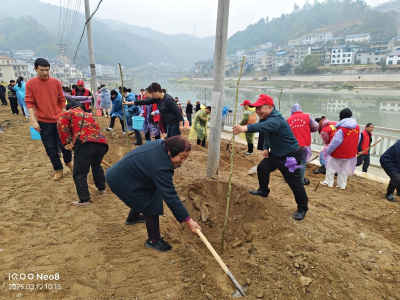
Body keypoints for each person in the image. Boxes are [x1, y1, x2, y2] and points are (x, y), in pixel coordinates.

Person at [105, 136, 202, 252]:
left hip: (124, 174)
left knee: (147, 189)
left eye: (186, 157)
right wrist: (189, 221)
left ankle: (133, 217)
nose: (183, 161)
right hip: (121, 180)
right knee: (152, 200)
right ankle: (154, 240)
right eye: (182, 157)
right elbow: (170, 196)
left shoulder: (161, 144)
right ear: (170, 151)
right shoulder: (161, 167)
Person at [232, 94, 308, 221]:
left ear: (269, 107)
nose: (257, 111)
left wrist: (245, 128)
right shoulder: (267, 118)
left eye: (259, 108)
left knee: (294, 182)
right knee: (262, 168)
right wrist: (266, 147)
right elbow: (267, 133)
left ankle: (302, 208)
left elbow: (263, 127)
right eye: (256, 109)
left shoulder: (276, 119)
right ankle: (263, 190)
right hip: (276, 153)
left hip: (290, 155)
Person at [25, 58, 73, 180]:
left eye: (47, 70)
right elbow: (29, 102)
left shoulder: (56, 82)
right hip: (43, 122)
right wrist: (33, 120)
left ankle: (68, 162)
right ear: (35, 69)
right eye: (42, 70)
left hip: (59, 120)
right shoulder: (30, 84)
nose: (45, 72)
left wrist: (65, 115)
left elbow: (61, 99)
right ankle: (58, 169)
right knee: (50, 148)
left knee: (65, 145)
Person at [58, 100, 108, 207]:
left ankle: (84, 200)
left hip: (85, 144)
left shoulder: (68, 113)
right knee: (96, 166)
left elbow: (61, 125)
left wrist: (67, 143)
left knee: (79, 173)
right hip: (102, 143)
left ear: (69, 108)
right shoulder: (89, 115)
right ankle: (102, 189)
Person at [320, 108, 360, 190]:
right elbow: (358, 140)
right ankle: (341, 185)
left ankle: (329, 182)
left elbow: (335, 142)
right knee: (344, 169)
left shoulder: (342, 128)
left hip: (339, 152)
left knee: (331, 167)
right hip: (350, 153)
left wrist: (329, 151)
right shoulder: (357, 127)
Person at [287, 103, 319, 185]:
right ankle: (300, 180)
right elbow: (315, 126)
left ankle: (291, 179)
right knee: (302, 161)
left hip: (293, 145)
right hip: (304, 144)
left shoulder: (289, 120)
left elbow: (286, 132)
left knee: (292, 161)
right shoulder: (307, 116)